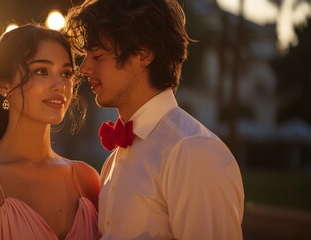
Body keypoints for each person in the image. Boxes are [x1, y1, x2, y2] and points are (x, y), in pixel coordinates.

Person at [65, 0, 245, 239]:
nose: (84, 68)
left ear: (144, 54)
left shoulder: (192, 151)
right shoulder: (114, 160)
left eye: (97, 55)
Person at [0, 24, 100, 240]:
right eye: (41, 71)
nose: (60, 85)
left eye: (66, 73)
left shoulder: (87, 179)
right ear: (4, 86)